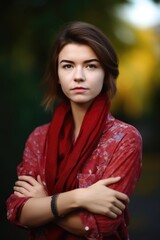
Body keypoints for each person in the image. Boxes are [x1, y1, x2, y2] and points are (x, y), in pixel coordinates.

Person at [6, 21, 142, 240]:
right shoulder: (39, 138)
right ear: (58, 75)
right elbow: (19, 212)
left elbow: (102, 224)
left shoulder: (123, 138)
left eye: (91, 66)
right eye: (68, 66)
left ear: (106, 74)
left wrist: (46, 201)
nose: (78, 76)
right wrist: (80, 198)